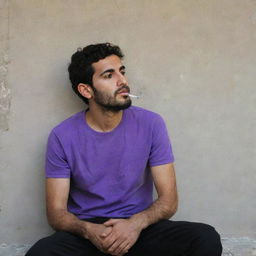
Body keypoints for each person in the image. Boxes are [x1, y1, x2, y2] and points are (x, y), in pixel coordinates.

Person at [25, 43, 222, 256]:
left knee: (205, 237)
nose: (123, 81)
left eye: (122, 71)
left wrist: (135, 225)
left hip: (140, 228)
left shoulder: (151, 124)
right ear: (86, 90)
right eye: (109, 75)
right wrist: (90, 231)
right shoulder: (62, 136)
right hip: (89, 233)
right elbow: (56, 214)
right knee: (41, 253)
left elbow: (169, 201)